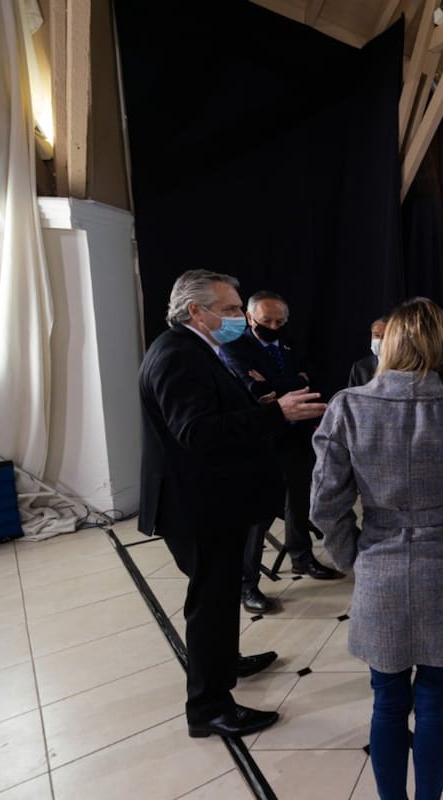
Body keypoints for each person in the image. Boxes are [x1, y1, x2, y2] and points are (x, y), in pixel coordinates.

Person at [310, 297, 443, 800]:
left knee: (387, 702)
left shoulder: (348, 406)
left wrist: (353, 556)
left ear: (388, 344)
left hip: (380, 568)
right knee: (437, 699)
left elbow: (325, 504)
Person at [138, 269, 326, 738]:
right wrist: (273, 412)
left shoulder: (201, 349)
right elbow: (196, 433)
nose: (239, 317)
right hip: (197, 507)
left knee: (220, 601)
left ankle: (226, 664)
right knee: (212, 603)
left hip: (212, 501)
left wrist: (259, 406)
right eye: (229, 309)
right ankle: (209, 708)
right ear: (195, 311)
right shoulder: (178, 356)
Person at [222, 290, 343, 615]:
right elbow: (258, 391)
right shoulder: (233, 347)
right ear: (249, 318)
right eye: (266, 321)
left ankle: (301, 556)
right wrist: (285, 383)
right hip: (259, 440)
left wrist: (281, 384)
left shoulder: (291, 345)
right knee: (256, 515)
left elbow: (310, 384)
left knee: (299, 501)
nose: (273, 326)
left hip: (296, 436)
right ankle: (247, 584)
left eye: (279, 321)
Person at [348, 317, 387, 387]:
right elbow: (352, 397)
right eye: (377, 335)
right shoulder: (359, 367)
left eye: (385, 336)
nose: (380, 340)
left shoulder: (404, 367)